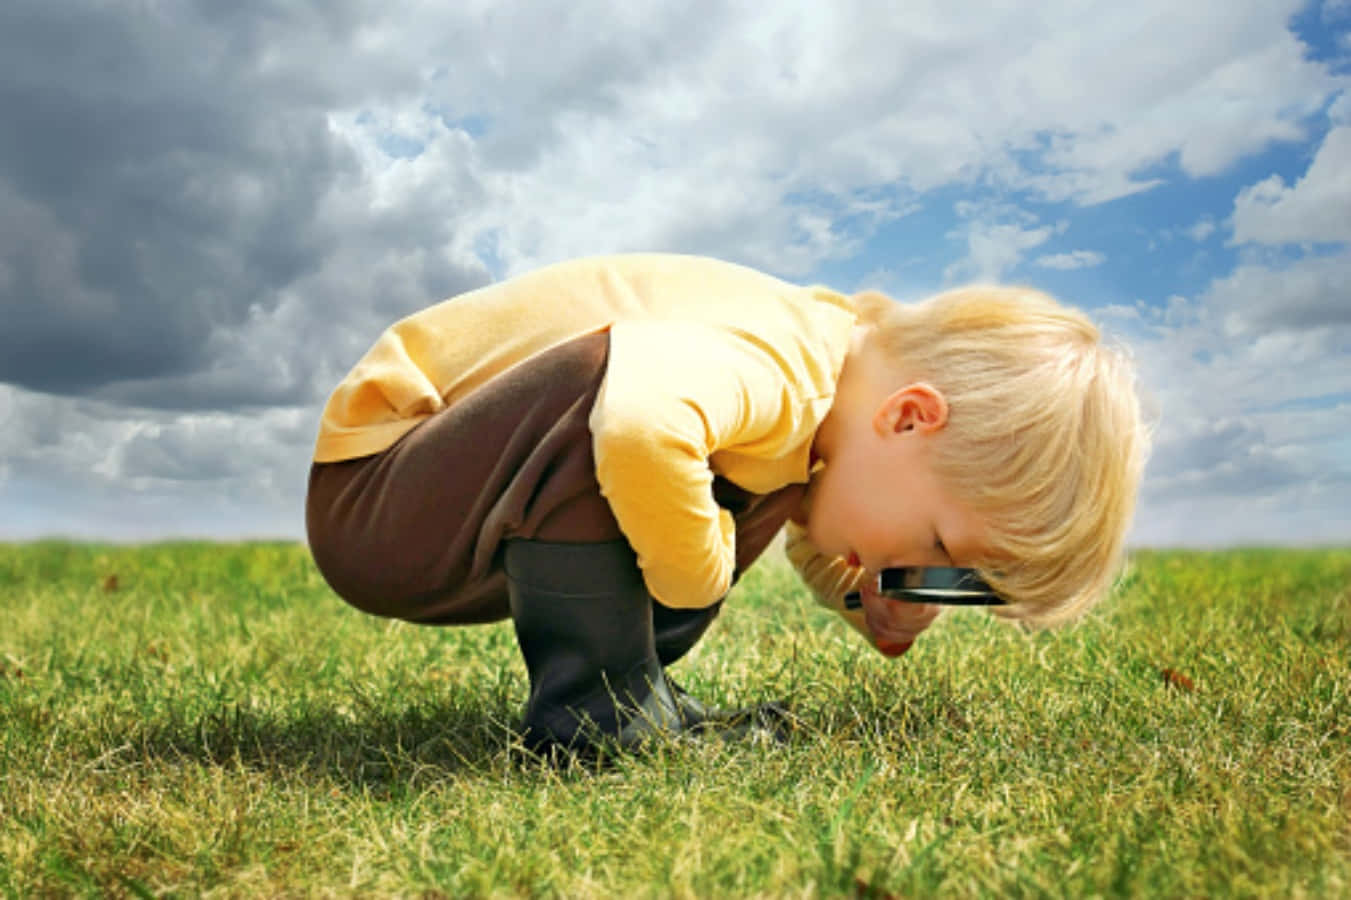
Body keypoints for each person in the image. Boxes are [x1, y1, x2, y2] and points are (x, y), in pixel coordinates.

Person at [304, 253, 1148, 755]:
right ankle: (598, 722)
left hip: (453, 497)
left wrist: (873, 599)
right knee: (623, 409)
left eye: (945, 580)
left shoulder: (829, 394)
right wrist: (696, 578)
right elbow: (635, 426)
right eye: (935, 545)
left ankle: (635, 692)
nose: (920, 575)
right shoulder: (783, 365)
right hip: (382, 494)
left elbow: (819, 509)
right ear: (909, 417)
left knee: (741, 485)